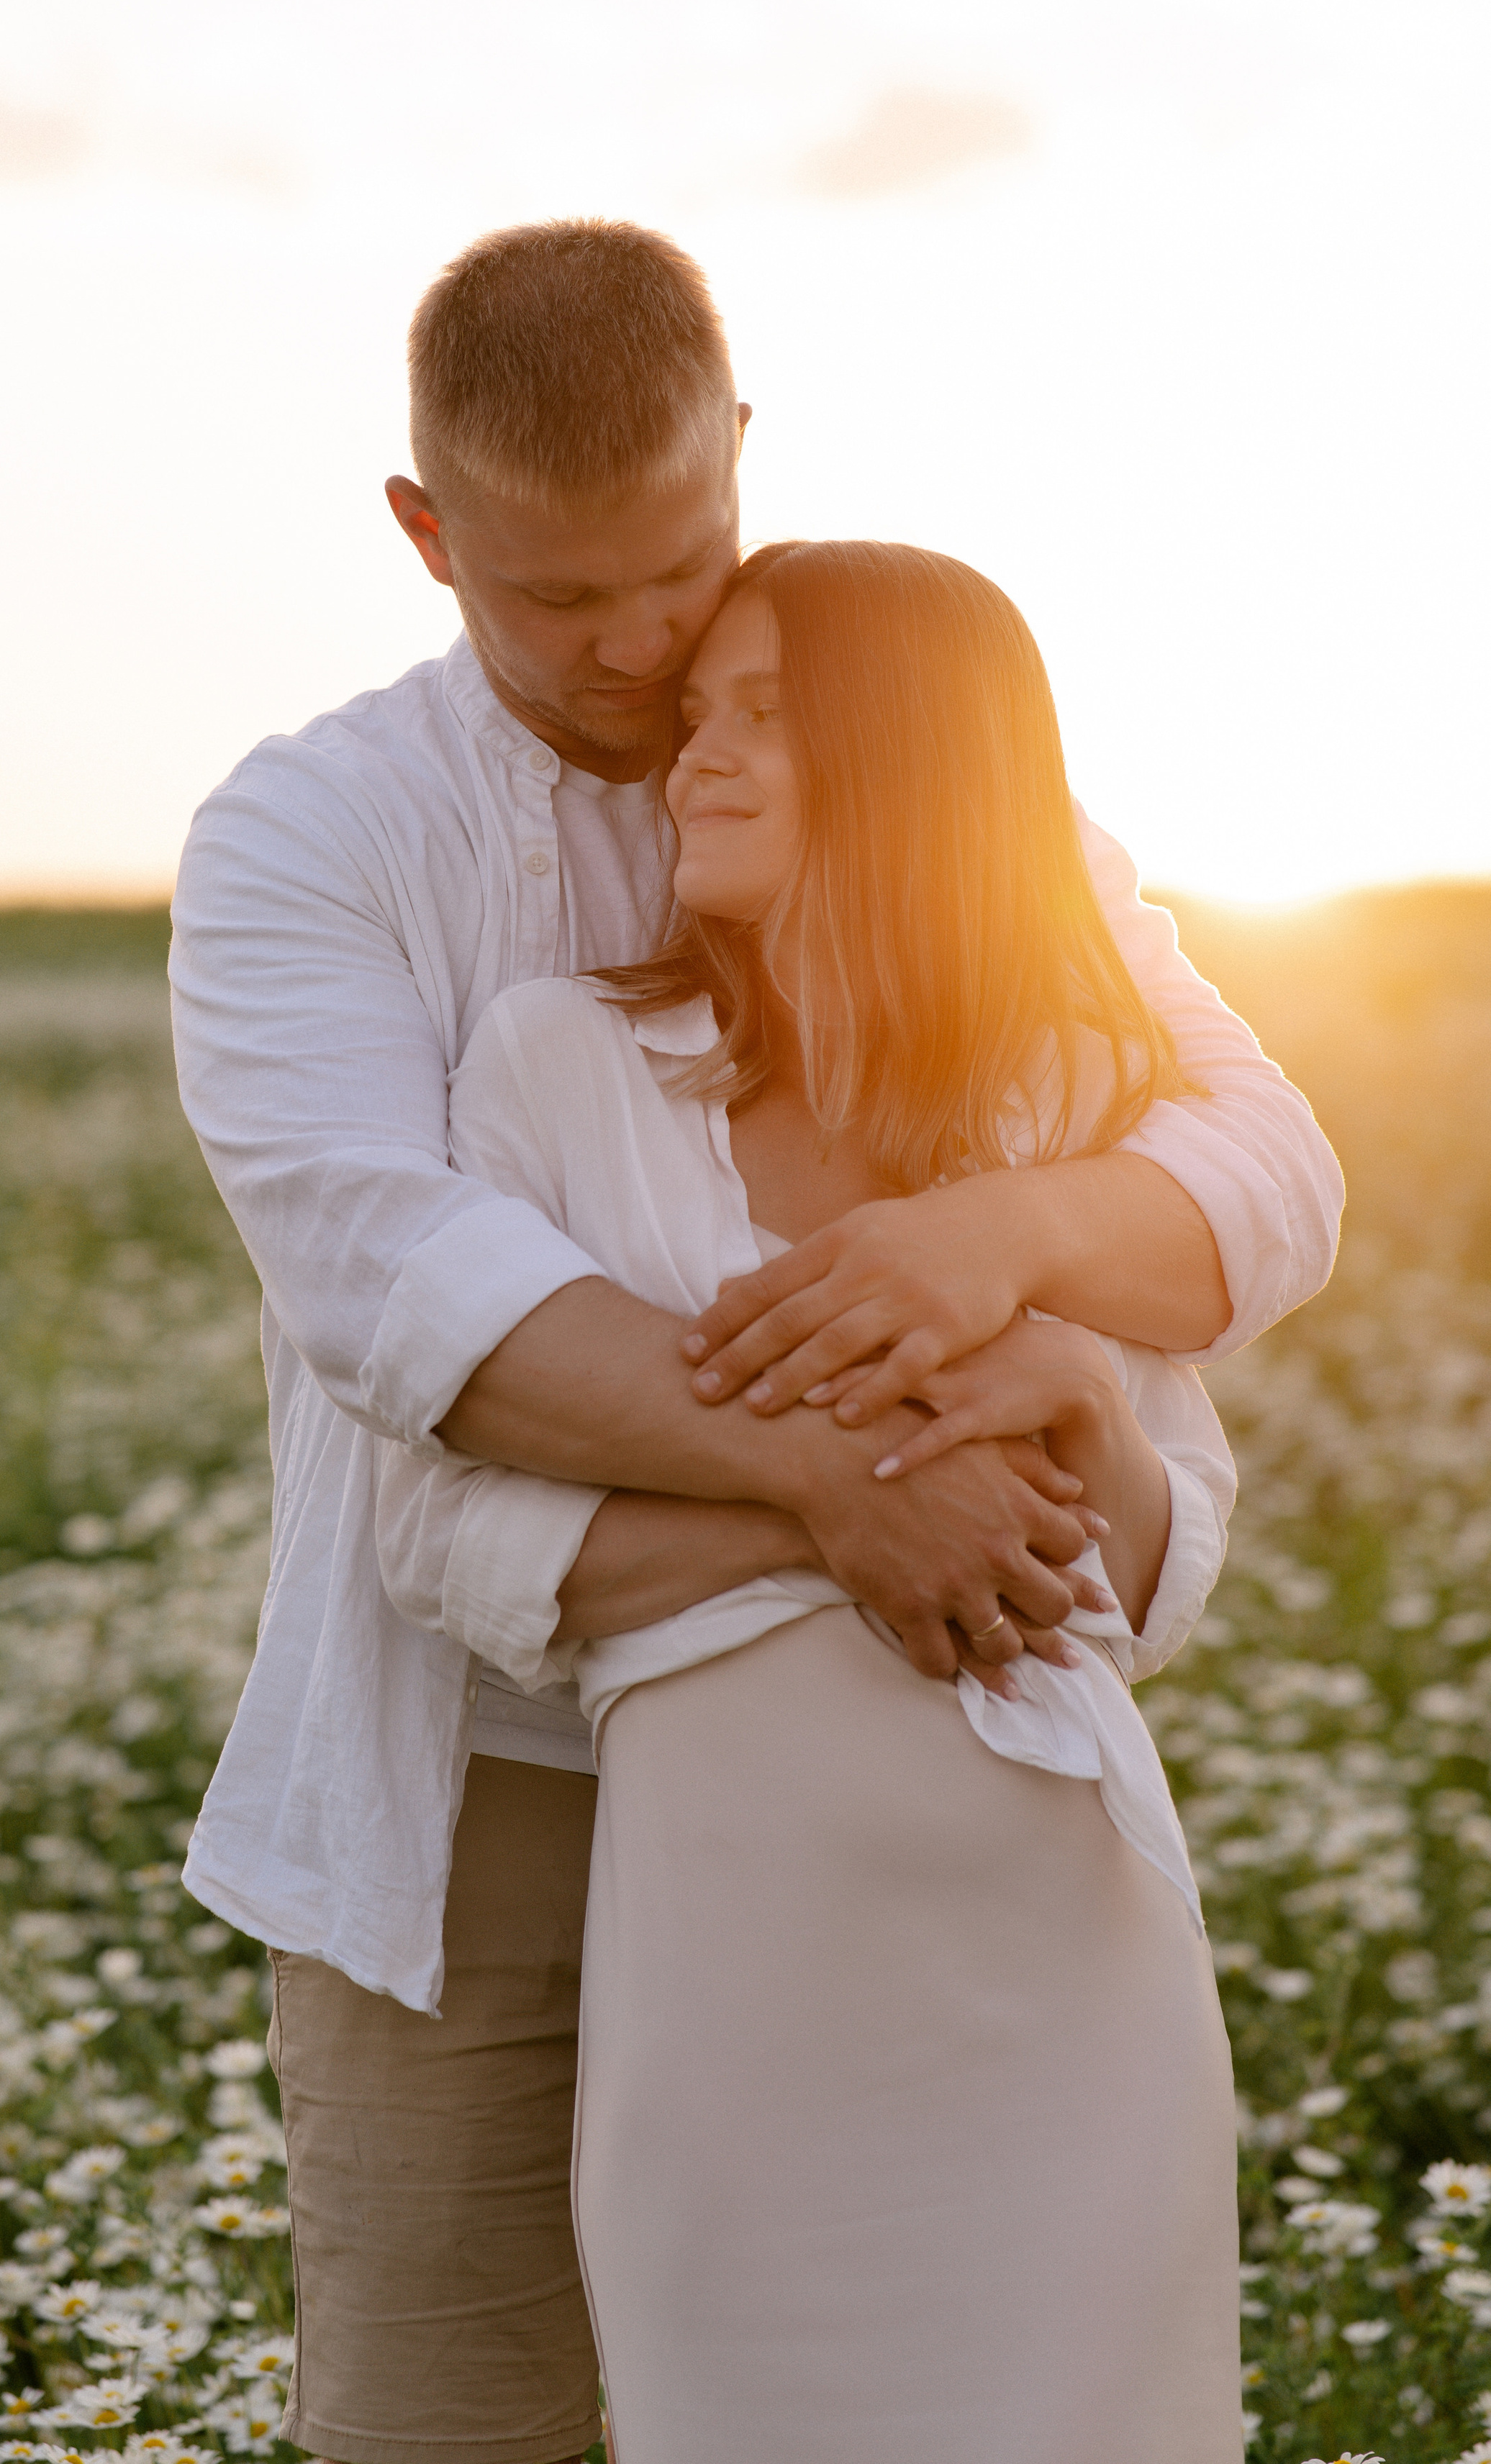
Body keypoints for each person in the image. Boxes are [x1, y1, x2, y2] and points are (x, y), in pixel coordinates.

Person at [168, 220, 1341, 2464]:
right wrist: (843, 1476)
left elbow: (1260, 1173)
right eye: (554, 599)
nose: (635, 655)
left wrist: (998, 1240)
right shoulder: (313, 838)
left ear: (739, 455)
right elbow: (397, 1298)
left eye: (680, 575)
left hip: (930, 1805)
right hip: (480, 1793)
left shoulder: (945, 789)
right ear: (425, 535)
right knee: (455, 2419)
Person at [376, 539, 1244, 2458]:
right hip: (737, 1976)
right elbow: (431, 1533)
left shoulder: (1065, 1100)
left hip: (1066, 1945)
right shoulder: (559, 1070)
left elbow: (1161, 1563)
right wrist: (840, 1510)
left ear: (914, 760)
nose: (698, 756)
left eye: (766, 714)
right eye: (700, 716)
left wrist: (1088, 1404)